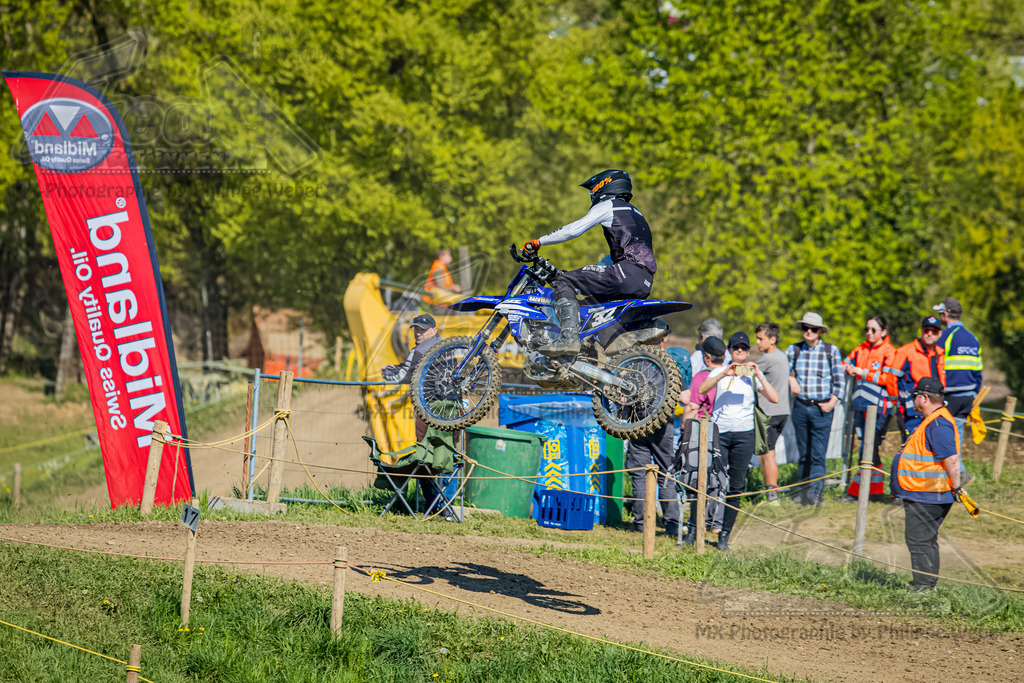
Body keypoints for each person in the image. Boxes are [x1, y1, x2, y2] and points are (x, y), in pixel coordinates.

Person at [524, 170, 656, 356]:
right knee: (586, 310)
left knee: (564, 281)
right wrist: (587, 273)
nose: (591, 194)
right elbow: (618, 255)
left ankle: (569, 339)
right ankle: (590, 356)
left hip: (625, 273)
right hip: (643, 279)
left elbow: (574, 229)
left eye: (592, 189)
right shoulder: (637, 214)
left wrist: (539, 242)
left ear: (603, 186)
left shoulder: (609, 205)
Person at [696, 332, 779, 550]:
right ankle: (697, 528)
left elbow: (775, 397)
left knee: (736, 486)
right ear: (729, 351)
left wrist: (759, 375)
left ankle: (724, 534)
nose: (740, 351)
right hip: (720, 434)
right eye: (736, 348)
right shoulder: (718, 371)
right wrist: (725, 373)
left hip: (744, 435)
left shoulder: (752, 376)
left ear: (749, 351)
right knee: (712, 481)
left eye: (743, 348)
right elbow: (701, 390)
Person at [889, 378, 963, 592]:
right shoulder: (932, 420)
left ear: (924, 398)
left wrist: (956, 487)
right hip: (924, 493)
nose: (912, 400)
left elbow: (951, 459)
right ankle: (926, 585)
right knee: (924, 540)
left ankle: (923, 588)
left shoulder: (939, 424)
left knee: (919, 540)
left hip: (929, 495)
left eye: (914, 396)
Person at [785, 312, 844, 506]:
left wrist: (832, 402)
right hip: (801, 407)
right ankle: (803, 493)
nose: (809, 332)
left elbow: (839, 380)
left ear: (820, 331)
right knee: (803, 453)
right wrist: (790, 378)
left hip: (822, 408)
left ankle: (815, 494)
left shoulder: (831, 350)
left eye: (813, 329)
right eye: (805, 328)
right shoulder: (793, 350)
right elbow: (779, 371)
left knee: (818, 453)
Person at [841, 315, 899, 501]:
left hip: (879, 407)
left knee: (868, 447)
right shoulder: (860, 348)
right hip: (860, 405)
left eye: (873, 330)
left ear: (883, 332)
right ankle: (874, 491)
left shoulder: (890, 351)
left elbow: (887, 379)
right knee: (868, 448)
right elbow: (843, 363)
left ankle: (856, 492)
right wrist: (848, 369)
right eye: (867, 329)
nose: (869, 333)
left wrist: (862, 372)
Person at [381, 314, 443, 441]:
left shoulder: (420, 350)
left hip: (429, 407)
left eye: (423, 330)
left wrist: (387, 373)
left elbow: (404, 376)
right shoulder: (447, 345)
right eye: (416, 329)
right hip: (453, 409)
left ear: (434, 330)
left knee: (424, 448)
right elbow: (414, 368)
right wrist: (397, 368)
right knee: (448, 449)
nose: (418, 333)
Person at [934, 297, 983, 442]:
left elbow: (935, 364)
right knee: (957, 440)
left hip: (949, 396)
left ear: (945, 314)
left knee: (942, 442)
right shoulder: (973, 337)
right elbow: (978, 370)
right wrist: (975, 393)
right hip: (968, 397)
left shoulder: (944, 336)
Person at [754, 322, 789, 505]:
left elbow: (748, 372)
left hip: (770, 412)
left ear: (772, 339)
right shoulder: (782, 356)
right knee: (769, 452)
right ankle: (771, 493)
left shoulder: (768, 359)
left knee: (767, 454)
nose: (757, 342)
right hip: (782, 411)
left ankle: (772, 494)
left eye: (761, 339)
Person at [894, 316, 946, 437]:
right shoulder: (905, 351)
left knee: (932, 445)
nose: (929, 334)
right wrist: (894, 401)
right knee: (910, 445)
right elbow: (892, 379)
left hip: (935, 408)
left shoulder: (940, 353)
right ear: (921, 331)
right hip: (911, 410)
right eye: (926, 330)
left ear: (939, 334)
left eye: (933, 331)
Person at [626, 420, 679, 536]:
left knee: (640, 476)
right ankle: (671, 525)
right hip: (662, 425)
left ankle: (641, 523)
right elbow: (685, 400)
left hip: (638, 424)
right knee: (666, 477)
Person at [424, 249, 461, 315]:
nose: (451, 258)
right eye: (448, 255)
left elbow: (446, 284)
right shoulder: (438, 268)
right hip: (439, 303)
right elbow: (441, 287)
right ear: (441, 256)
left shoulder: (442, 267)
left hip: (443, 302)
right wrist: (454, 288)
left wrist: (453, 286)